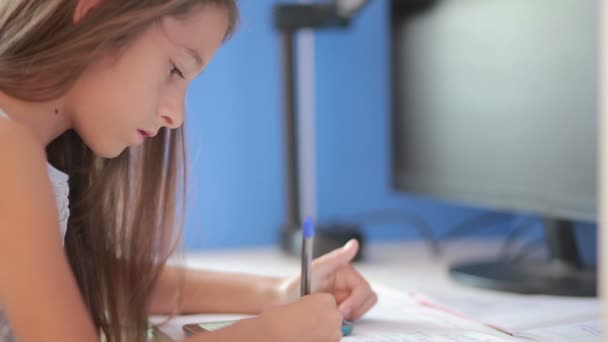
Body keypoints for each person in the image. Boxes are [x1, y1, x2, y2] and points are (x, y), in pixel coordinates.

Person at [0, 1, 378, 341]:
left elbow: (90, 278)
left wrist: (278, 292)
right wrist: (266, 335)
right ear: (97, 12)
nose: (175, 116)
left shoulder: (29, 150)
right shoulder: (7, 149)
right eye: (175, 69)